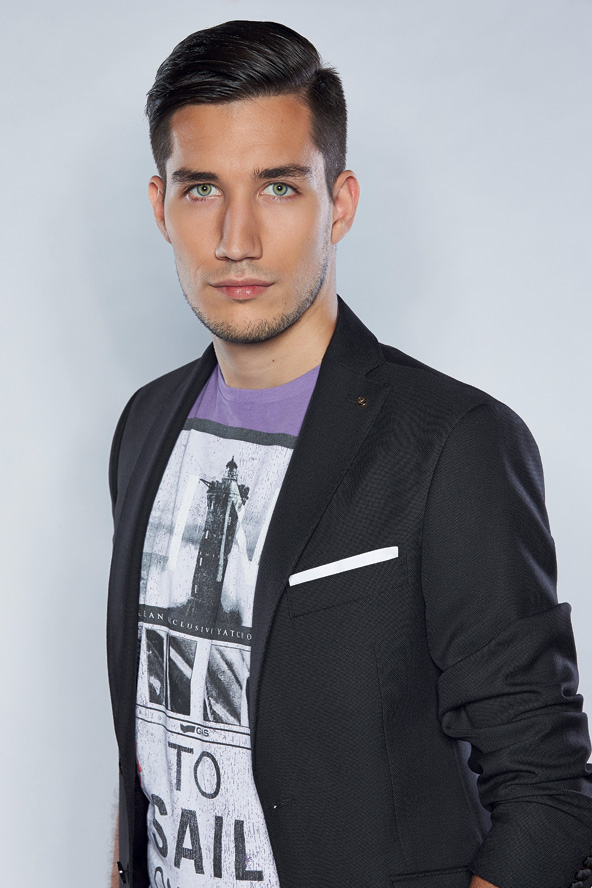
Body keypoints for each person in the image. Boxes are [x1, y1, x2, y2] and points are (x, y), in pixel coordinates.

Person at [107, 19, 592, 888]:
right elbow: (152, 731)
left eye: (279, 187)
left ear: (339, 204)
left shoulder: (454, 442)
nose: (237, 238)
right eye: (202, 189)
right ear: (159, 207)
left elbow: (548, 791)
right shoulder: (146, 424)